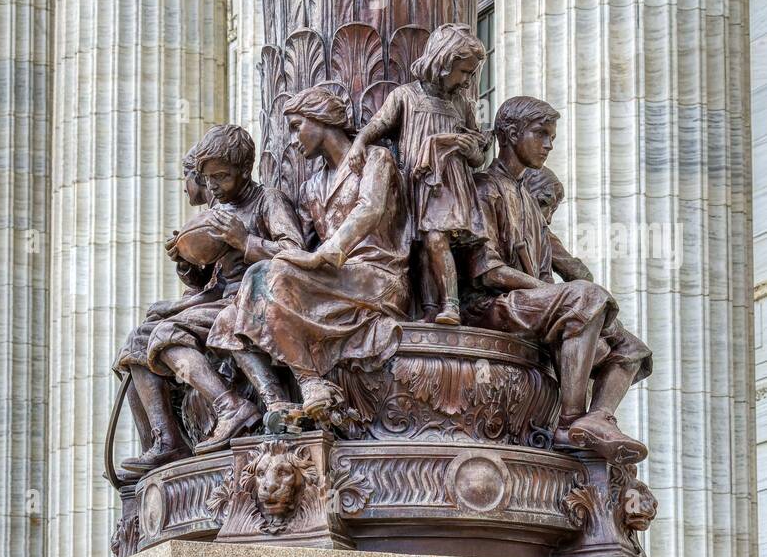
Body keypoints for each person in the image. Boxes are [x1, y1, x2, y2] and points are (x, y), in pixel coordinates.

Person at [464, 97, 652, 464]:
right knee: (586, 298)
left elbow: (559, 266)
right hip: (491, 304)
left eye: (552, 136)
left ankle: (598, 418)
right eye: (541, 134)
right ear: (511, 134)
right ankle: (569, 422)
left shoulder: (529, 202)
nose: (549, 145)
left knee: (632, 348)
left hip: (532, 305)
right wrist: (557, 293)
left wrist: (566, 283)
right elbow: (489, 270)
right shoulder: (485, 188)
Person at [210, 86, 411, 420]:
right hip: (333, 281)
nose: (293, 138)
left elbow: (369, 210)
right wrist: (237, 244)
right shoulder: (310, 188)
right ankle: (294, 392)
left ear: (322, 119)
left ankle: (309, 381)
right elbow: (295, 249)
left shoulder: (376, 159)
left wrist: (326, 254)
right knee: (232, 317)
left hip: (378, 277)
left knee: (271, 275)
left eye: (296, 126)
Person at [116, 126, 303, 471]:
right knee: (136, 343)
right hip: (218, 299)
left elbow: (295, 252)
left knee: (163, 335)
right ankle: (166, 441)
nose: (213, 186)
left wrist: (244, 240)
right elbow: (211, 277)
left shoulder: (267, 201)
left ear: (244, 171)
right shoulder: (217, 207)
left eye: (221, 177)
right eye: (207, 178)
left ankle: (230, 406)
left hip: (254, 301)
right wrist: (187, 264)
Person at [346, 23, 492, 325]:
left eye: (471, 74)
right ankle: (428, 307)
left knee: (437, 239)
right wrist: (359, 144)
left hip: (448, 186)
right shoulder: (406, 96)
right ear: (442, 62)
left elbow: (478, 157)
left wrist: (466, 147)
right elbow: (378, 125)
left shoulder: (461, 105)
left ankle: (450, 305)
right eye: (463, 72)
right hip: (416, 182)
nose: (467, 81)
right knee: (423, 247)